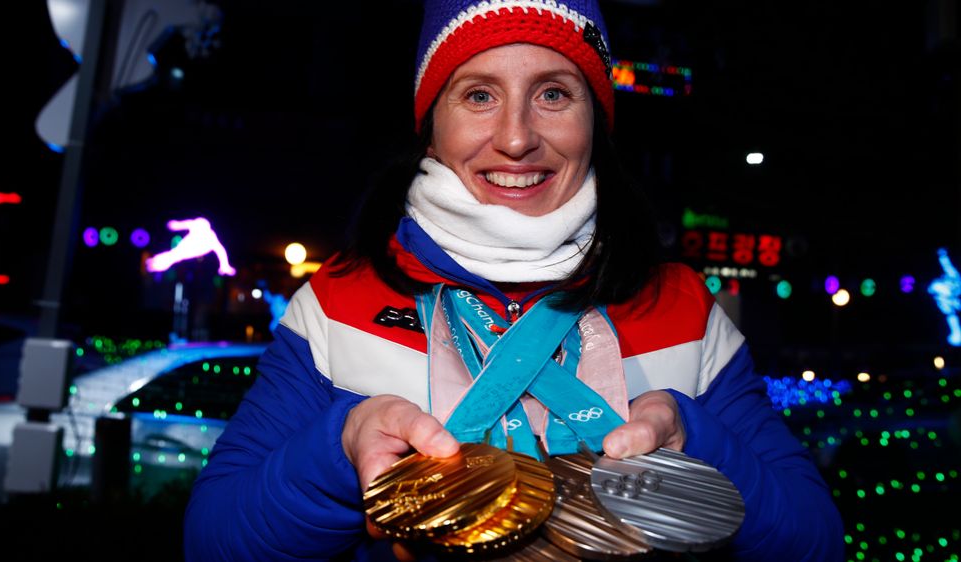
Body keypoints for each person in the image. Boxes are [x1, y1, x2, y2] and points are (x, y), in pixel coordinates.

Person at [183, 1, 844, 560]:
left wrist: (697, 448)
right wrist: (339, 452)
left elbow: (817, 541)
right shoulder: (339, 302)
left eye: (554, 93)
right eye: (479, 95)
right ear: (431, 125)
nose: (517, 138)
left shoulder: (681, 307)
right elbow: (210, 539)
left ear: (595, 120)